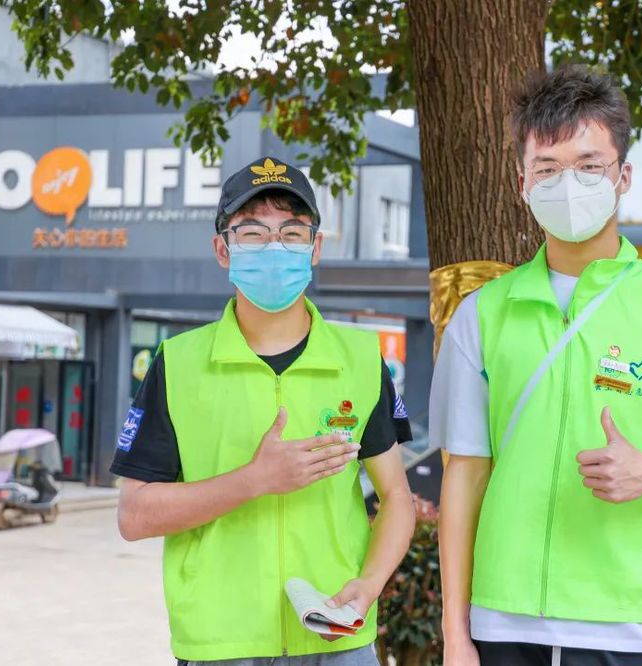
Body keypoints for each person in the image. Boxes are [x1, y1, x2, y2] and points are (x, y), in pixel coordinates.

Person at [433, 66, 642, 666]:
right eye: (547, 168)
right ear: (522, 183)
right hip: (502, 620)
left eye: (588, 165)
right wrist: (455, 634)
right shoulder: (482, 314)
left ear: (623, 177)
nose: (567, 184)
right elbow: (465, 475)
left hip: (631, 627)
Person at [112, 157, 416, 666]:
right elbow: (134, 515)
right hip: (220, 645)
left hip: (336, 637)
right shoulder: (178, 363)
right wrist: (254, 480)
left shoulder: (362, 360)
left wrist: (368, 586)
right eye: (252, 232)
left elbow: (398, 499)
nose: (275, 247)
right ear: (222, 249)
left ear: (315, 247)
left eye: (292, 232)